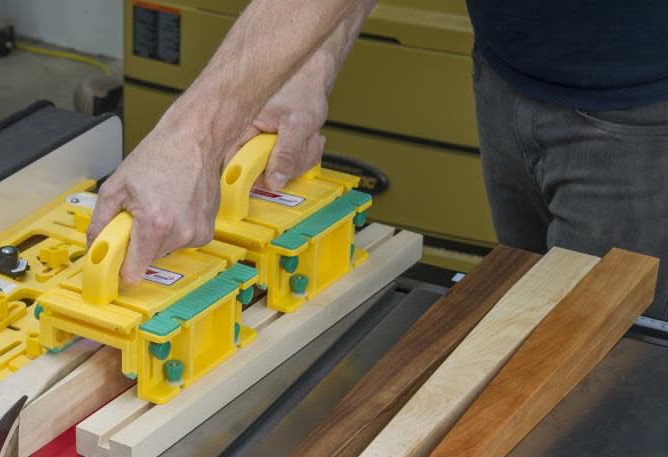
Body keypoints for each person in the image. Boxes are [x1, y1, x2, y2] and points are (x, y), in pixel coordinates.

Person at [89, 0, 668, 319]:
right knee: (529, 316)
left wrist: (191, 140)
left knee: (604, 363)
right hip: (508, 67)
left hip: (642, 108)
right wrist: (311, 68)